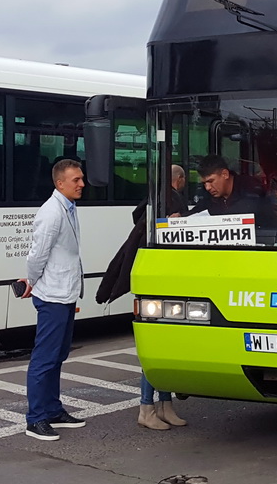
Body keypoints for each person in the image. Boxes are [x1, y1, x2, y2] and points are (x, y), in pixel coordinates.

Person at [97, 164, 188, 431]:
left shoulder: (151, 203)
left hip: (156, 280)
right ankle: (147, 407)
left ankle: (164, 405)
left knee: (164, 349)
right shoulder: (170, 202)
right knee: (157, 351)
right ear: (179, 180)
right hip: (160, 282)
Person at [19, 159, 87, 442]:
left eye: (81, 178)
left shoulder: (67, 208)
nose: (82, 184)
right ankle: (36, 418)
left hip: (66, 291)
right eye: (76, 180)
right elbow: (37, 254)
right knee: (45, 357)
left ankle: (53, 410)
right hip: (53, 294)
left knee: (58, 355)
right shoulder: (51, 213)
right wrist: (32, 281)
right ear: (60, 184)